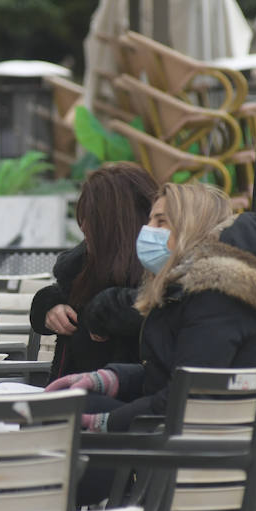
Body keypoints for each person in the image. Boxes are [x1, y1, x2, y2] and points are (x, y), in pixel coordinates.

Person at [48, 184, 256, 502]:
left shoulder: (216, 297)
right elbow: (175, 374)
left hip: (202, 463)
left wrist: (104, 421)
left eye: (161, 222)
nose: (147, 231)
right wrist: (107, 378)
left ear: (191, 227)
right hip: (197, 445)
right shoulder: (198, 290)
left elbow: (185, 395)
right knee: (70, 412)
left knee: (62, 428)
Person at [29, 163, 159, 382]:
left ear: (118, 223)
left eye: (92, 219)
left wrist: (101, 311)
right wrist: (50, 305)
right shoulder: (85, 264)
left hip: (110, 407)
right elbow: (64, 293)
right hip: (68, 400)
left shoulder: (157, 275)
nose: (83, 227)